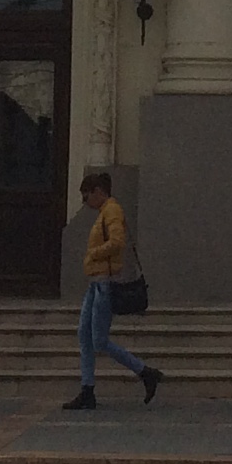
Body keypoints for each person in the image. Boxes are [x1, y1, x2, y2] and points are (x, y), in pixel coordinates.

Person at [64, 167, 160, 409]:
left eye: (86, 196)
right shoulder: (104, 212)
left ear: (98, 192)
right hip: (95, 284)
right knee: (84, 335)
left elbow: (117, 242)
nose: (85, 202)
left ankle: (145, 371)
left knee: (99, 340)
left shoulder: (112, 210)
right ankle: (87, 390)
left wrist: (93, 253)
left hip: (104, 284)